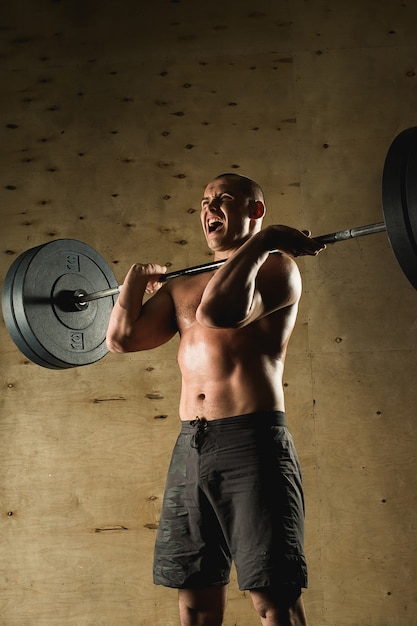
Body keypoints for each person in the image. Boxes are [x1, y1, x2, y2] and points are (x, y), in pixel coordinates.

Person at [106, 173, 325, 626]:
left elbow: (221, 313)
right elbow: (122, 339)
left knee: (272, 596)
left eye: (224, 200)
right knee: (195, 597)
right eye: (205, 202)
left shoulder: (276, 268)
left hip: (252, 441)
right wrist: (132, 285)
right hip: (191, 445)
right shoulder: (183, 285)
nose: (210, 209)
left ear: (255, 211)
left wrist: (265, 244)